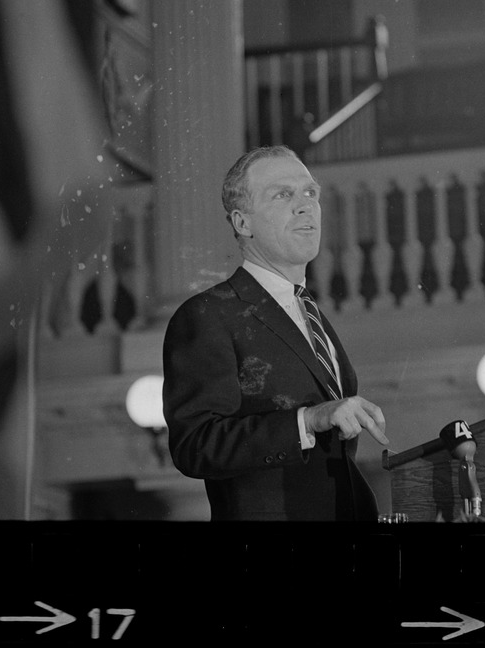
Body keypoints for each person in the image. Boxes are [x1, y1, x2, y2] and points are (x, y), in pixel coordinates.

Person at [162, 145, 389, 521]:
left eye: (310, 192)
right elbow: (195, 445)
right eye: (283, 195)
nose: (305, 205)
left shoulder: (308, 311)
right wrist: (308, 420)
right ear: (242, 223)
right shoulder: (208, 315)